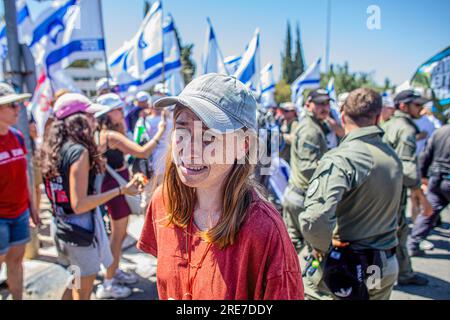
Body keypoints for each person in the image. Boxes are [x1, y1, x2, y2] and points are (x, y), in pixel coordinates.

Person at [138, 73, 304, 300]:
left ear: (242, 146)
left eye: (208, 137)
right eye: (182, 129)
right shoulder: (162, 202)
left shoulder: (265, 231)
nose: (189, 149)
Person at [299, 88, 403, 300]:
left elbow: (315, 219)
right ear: (377, 117)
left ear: (343, 115)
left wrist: (321, 249)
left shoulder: (342, 158)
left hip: (346, 266)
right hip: (385, 264)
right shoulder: (392, 157)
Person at [40, 93, 143, 300]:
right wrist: (121, 190)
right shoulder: (79, 151)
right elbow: (80, 204)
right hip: (80, 229)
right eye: (90, 115)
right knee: (83, 290)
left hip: (61, 224)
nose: (94, 120)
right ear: (78, 119)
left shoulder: (54, 146)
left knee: (76, 278)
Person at [93, 93, 166, 299]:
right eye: (118, 110)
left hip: (113, 187)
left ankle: (113, 271)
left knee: (118, 235)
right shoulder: (111, 136)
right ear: (108, 114)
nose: (122, 112)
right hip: (116, 190)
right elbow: (142, 151)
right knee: (117, 236)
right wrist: (160, 132)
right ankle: (108, 282)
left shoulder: (102, 133)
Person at [382, 89, 433, 286]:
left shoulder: (389, 124)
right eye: (417, 105)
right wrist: (420, 193)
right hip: (395, 190)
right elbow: (408, 169)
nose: (421, 109)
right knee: (398, 232)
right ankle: (401, 274)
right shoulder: (406, 129)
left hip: (384, 188)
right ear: (403, 106)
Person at [0, 83, 40, 300]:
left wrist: (32, 207)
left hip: (20, 213)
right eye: (12, 105)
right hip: (1, 218)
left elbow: (24, 174)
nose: (18, 109)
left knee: (16, 261)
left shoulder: (17, 137)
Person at [282, 89, 331, 252]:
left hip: (298, 196)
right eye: (319, 103)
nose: (324, 107)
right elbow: (307, 167)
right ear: (308, 105)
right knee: (313, 252)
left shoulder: (315, 125)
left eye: (327, 103)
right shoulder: (310, 130)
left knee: (292, 249)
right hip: (303, 199)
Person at [407, 124, 450, 256]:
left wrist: (422, 176)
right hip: (441, 177)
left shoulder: (440, 132)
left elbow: (425, 155)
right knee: (428, 212)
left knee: (428, 213)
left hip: (436, 178)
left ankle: (412, 244)